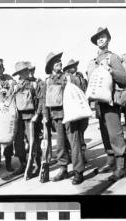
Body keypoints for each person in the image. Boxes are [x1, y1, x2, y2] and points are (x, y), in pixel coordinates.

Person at [88, 27, 126, 180]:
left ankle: (120, 166)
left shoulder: (113, 58)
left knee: (115, 133)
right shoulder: (93, 61)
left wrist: (111, 70)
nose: (100, 39)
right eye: (97, 38)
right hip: (99, 103)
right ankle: (110, 161)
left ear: (108, 39)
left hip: (111, 102)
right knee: (105, 134)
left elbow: (124, 80)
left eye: (103, 37)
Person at [43, 52, 85, 185]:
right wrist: (45, 117)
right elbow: (44, 101)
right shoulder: (47, 81)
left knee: (74, 143)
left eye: (59, 61)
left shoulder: (68, 77)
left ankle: (78, 171)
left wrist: (72, 79)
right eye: (55, 61)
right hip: (56, 117)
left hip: (70, 115)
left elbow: (79, 89)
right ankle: (63, 169)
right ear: (50, 66)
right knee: (60, 144)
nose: (59, 63)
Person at [11, 61, 36, 176]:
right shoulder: (14, 85)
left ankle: (36, 164)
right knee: (18, 143)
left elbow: (37, 100)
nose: (26, 73)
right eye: (23, 72)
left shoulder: (33, 84)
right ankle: (23, 164)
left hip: (30, 116)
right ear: (19, 73)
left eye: (26, 70)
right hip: (18, 117)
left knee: (32, 141)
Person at [63, 59, 89, 164]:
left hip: (82, 108)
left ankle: (82, 155)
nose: (75, 67)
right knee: (72, 136)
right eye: (73, 66)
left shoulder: (81, 78)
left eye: (75, 65)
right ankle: (74, 156)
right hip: (72, 109)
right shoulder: (66, 78)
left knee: (81, 133)